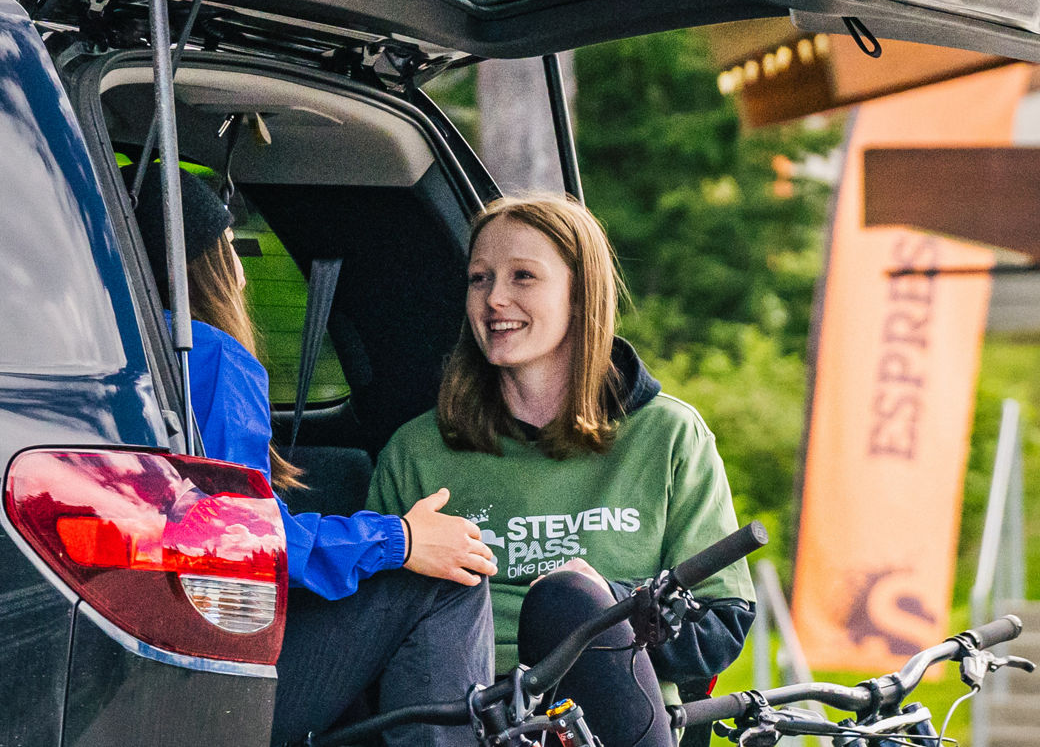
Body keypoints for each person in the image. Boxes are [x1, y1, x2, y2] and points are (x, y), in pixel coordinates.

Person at [124, 166, 499, 747]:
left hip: (134, 660)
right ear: (211, 266)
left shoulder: (111, 361)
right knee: (447, 578)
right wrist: (399, 539)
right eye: (232, 249)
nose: (244, 274)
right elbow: (245, 544)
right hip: (206, 678)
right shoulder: (209, 358)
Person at [363, 195, 757, 747]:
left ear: (580, 294)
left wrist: (610, 603)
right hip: (466, 709)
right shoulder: (417, 451)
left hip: (609, 710)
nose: (496, 298)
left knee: (570, 602)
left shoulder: (668, 436)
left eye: (524, 276)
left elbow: (721, 625)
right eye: (479, 279)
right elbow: (370, 633)